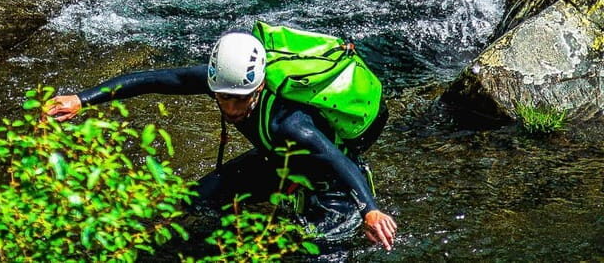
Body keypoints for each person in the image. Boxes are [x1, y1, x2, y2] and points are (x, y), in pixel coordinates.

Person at [47, 31, 397, 251]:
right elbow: (155, 79)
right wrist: (83, 99)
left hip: (331, 183)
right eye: (222, 97)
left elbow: (339, 161)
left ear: (258, 88)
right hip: (279, 161)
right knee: (194, 202)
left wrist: (371, 210)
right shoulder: (223, 82)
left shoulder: (290, 124)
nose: (230, 107)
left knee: (316, 249)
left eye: (238, 99)